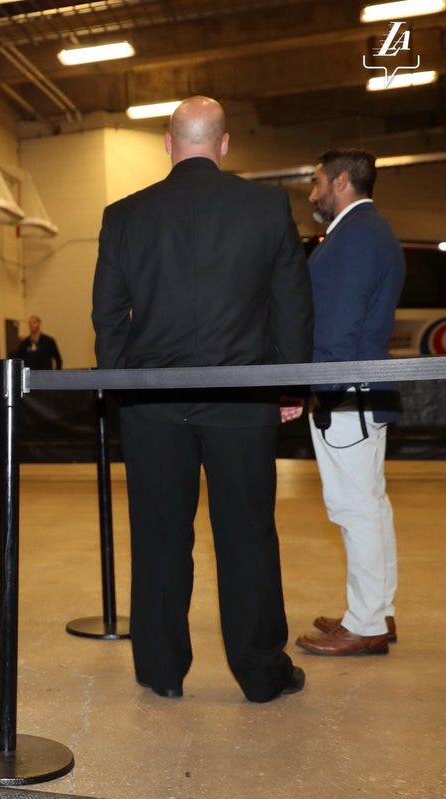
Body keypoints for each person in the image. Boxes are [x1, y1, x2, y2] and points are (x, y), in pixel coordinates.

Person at [91, 96, 312, 703]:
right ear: (223, 144)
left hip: (151, 401)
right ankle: (261, 673)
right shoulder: (267, 206)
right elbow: (292, 305)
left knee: (160, 536)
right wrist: (291, 386)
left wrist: (119, 387)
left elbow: (107, 315)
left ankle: (161, 671)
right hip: (241, 398)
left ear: (167, 144)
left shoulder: (124, 215)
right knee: (246, 534)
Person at [295, 149, 404, 657]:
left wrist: (315, 390)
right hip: (361, 389)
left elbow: (339, 323)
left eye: (317, 182)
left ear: (340, 181)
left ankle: (365, 623)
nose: (312, 192)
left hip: (346, 392)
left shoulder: (355, 236)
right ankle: (375, 610)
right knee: (371, 506)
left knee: (355, 509)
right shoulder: (369, 230)